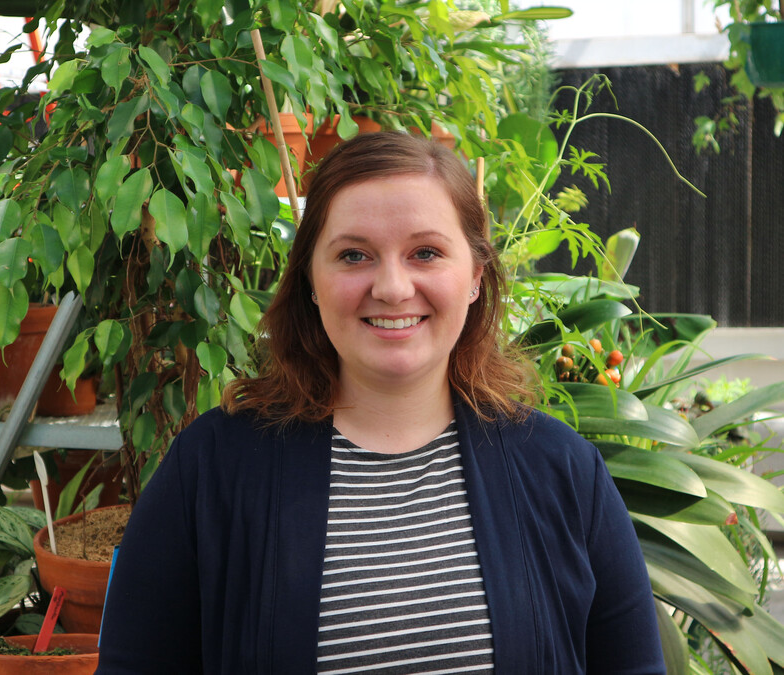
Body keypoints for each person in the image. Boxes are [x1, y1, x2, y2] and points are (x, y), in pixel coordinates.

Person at [95, 132, 664, 674]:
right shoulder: (212, 468)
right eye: (353, 256)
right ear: (311, 280)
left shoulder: (564, 471)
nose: (392, 287)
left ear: (474, 276)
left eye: (425, 252)